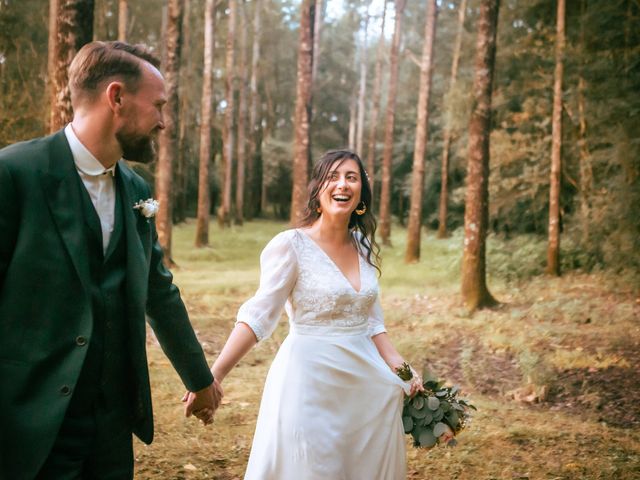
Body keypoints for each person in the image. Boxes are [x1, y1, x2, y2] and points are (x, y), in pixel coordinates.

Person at [0, 41, 222, 479]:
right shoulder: (15, 173)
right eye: (157, 105)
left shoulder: (135, 189)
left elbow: (158, 290)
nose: (163, 121)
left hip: (111, 424)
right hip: (29, 419)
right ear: (116, 97)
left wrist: (200, 378)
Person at [191, 150, 448, 479]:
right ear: (317, 190)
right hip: (308, 383)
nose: (343, 184)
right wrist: (213, 377)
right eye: (333, 176)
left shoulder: (363, 247)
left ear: (361, 196)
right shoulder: (291, 245)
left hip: (362, 387)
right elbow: (258, 316)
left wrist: (406, 374)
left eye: (351, 177)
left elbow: (373, 323)